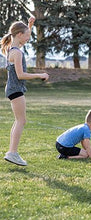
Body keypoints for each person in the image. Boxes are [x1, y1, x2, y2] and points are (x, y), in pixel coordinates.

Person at [1, 17, 49, 166]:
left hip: (13, 89)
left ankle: (12, 152)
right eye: (27, 35)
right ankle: (12, 153)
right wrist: (40, 75)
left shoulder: (13, 49)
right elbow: (21, 75)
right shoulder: (17, 53)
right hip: (15, 89)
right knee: (21, 121)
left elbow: (20, 37)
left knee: (19, 120)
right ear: (20, 35)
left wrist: (29, 26)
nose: (29, 39)